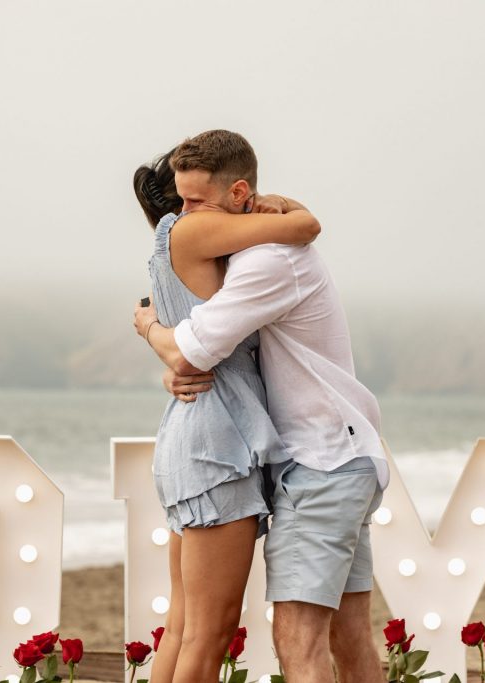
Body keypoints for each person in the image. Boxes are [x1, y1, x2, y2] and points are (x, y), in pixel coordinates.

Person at [134, 129, 389, 683]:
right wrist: (159, 336)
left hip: (317, 461)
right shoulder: (229, 244)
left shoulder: (263, 260)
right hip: (280, 453)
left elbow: (192, 350)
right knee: (222, 633)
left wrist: (152, 328)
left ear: (239, 193)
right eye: (179, 201)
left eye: (196, 201)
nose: (185, 214)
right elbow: (193, 353)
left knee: (213, 632)